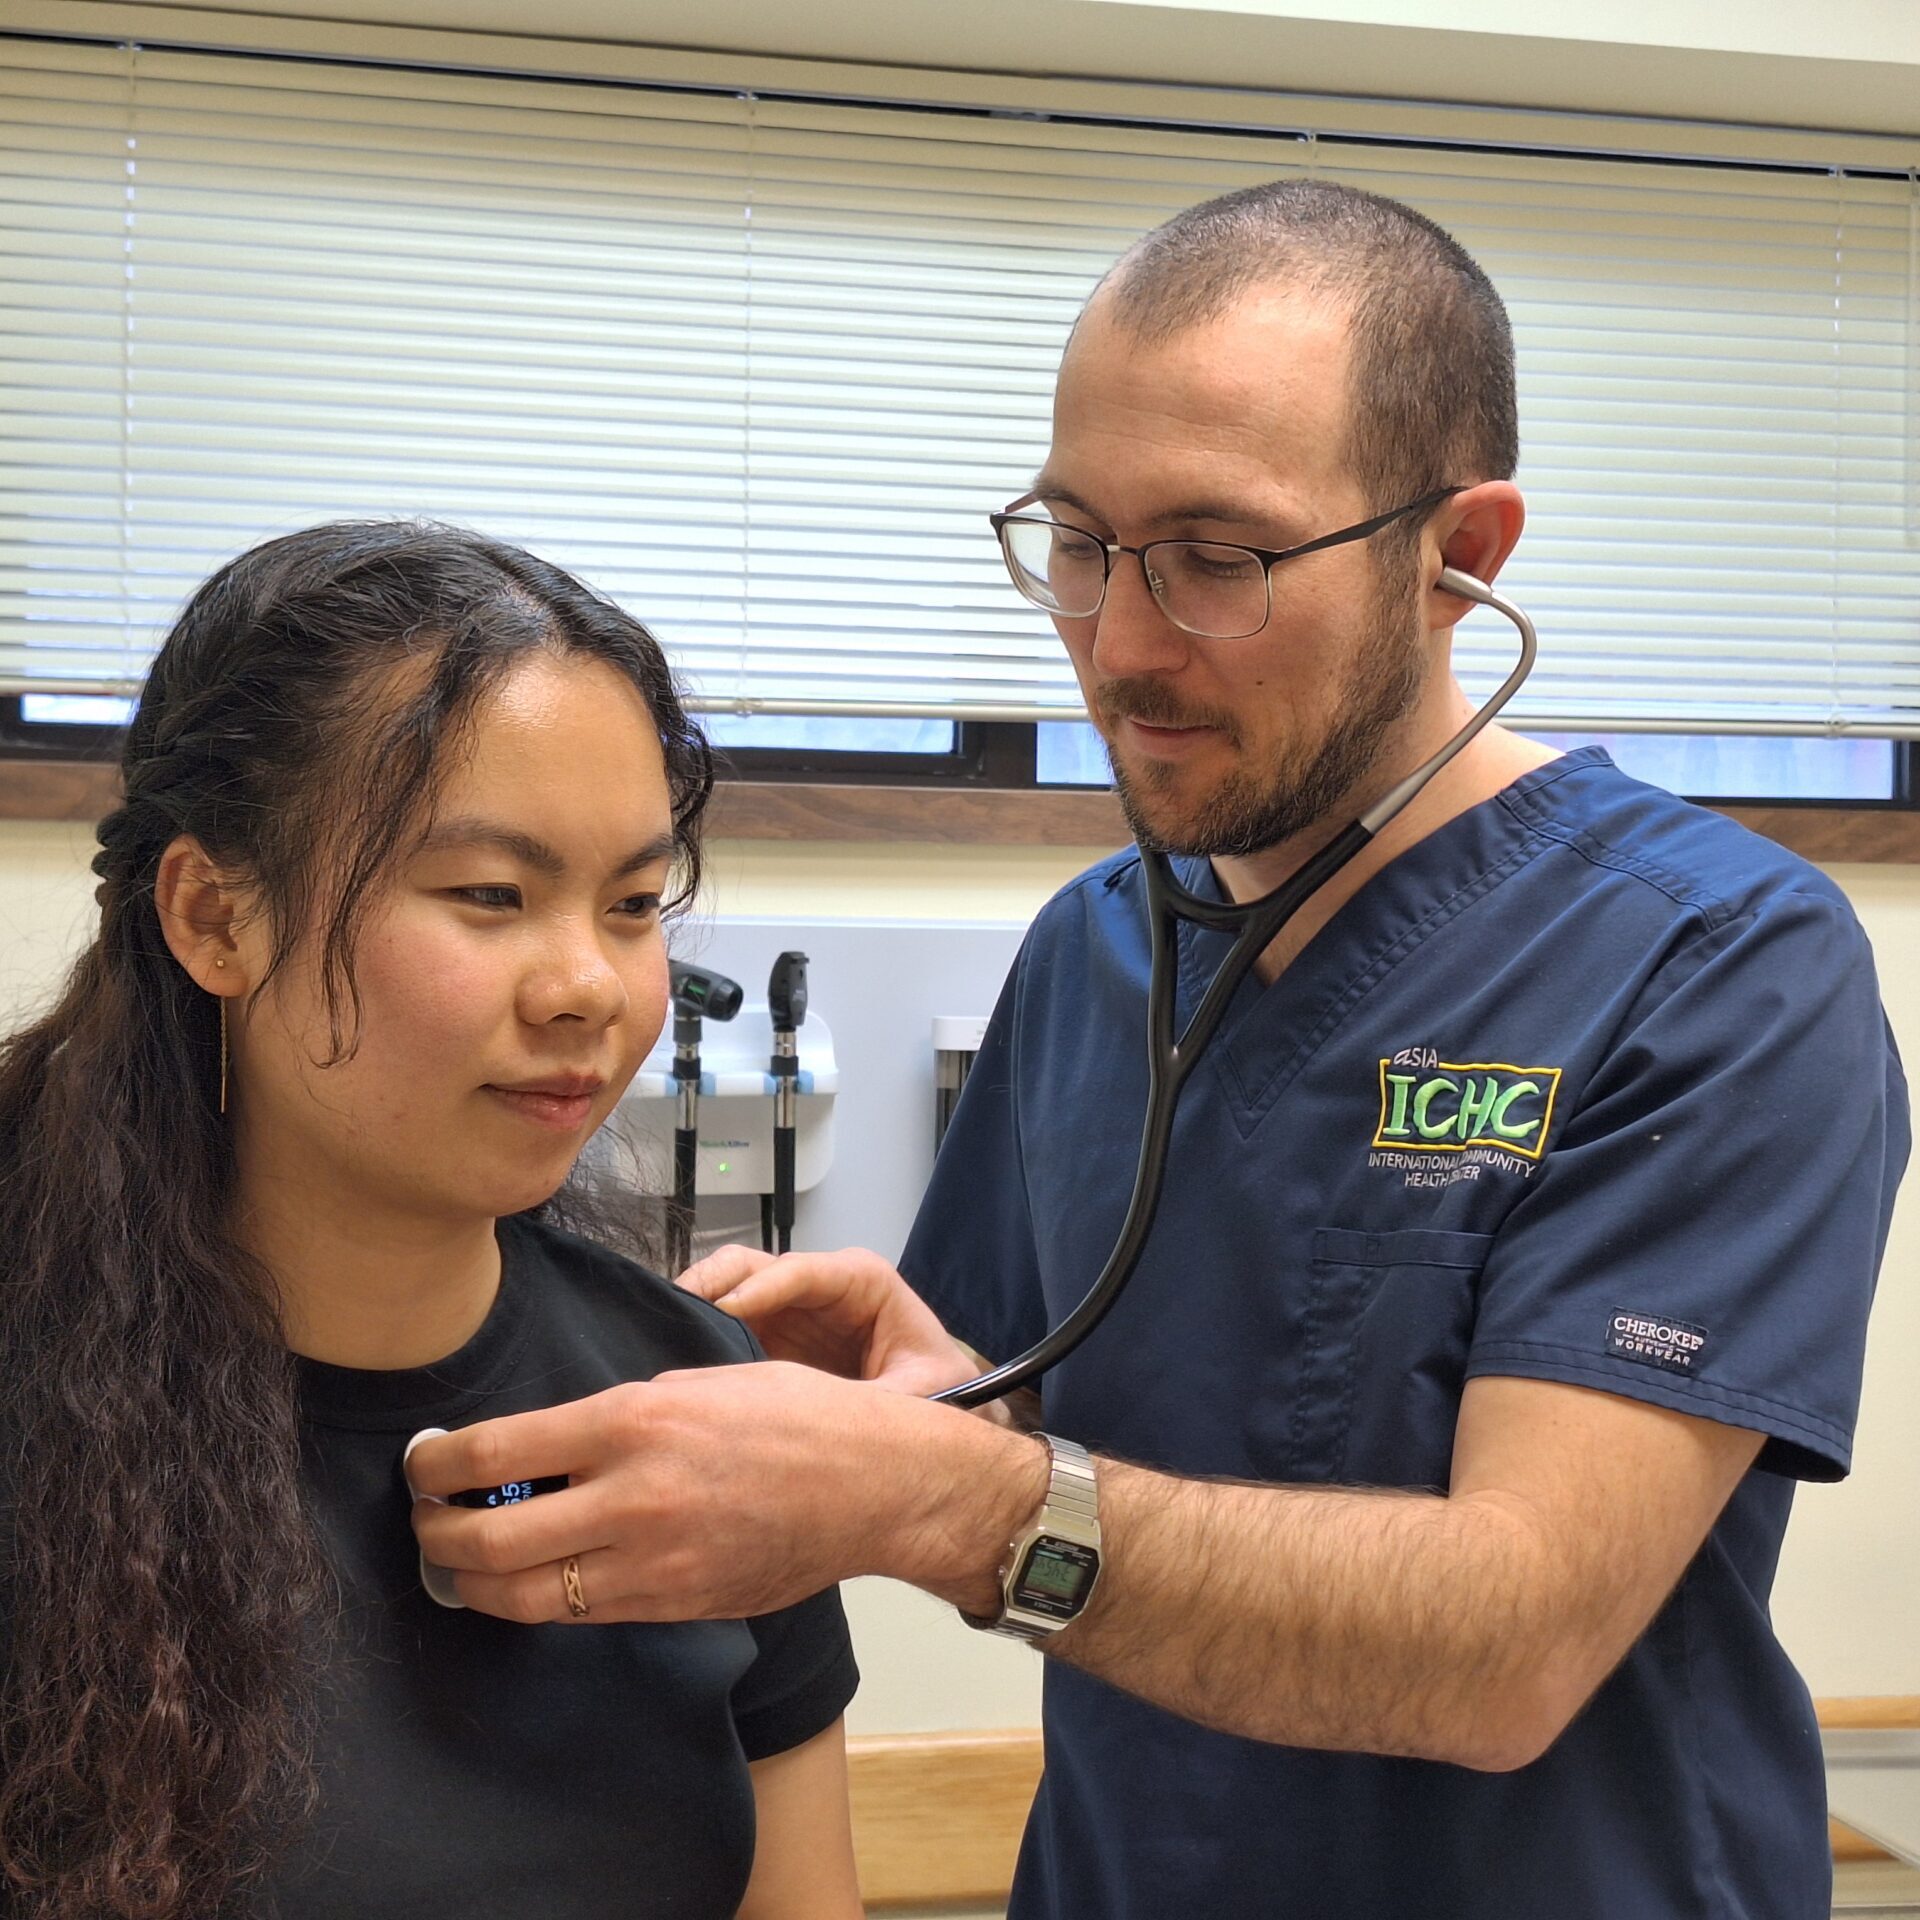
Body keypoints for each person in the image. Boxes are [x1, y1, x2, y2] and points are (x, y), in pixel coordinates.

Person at [406, 183, 1911, 1919]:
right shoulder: (1095, 948)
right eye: (1079, 541)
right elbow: (1084, 1421)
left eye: (1218, 561)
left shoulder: (1716, 967)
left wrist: (940, 1496)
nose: (1118, 647)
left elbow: (1515, 1644)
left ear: (1462, 557)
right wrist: (946, 1384)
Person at [0, 522, 863, 1920]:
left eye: (637, 903)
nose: (587, 984)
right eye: (489, 897)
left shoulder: (707, 1410)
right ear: (214, 916)